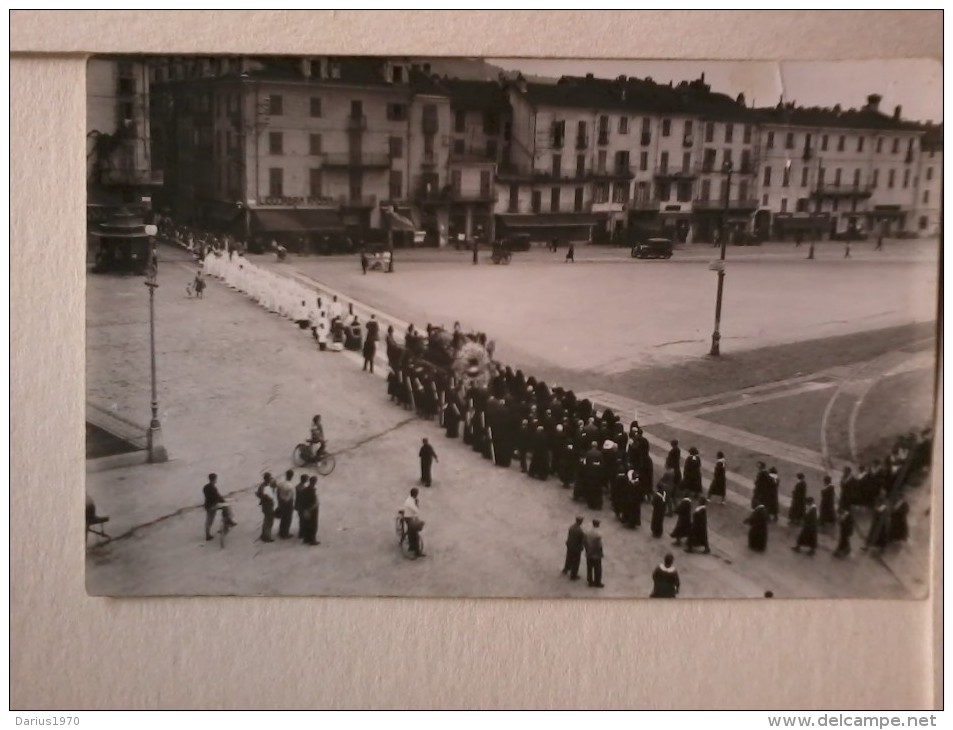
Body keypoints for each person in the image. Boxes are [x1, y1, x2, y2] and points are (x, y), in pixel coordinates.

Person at [203, 473, 236, 541]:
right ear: (214, 479)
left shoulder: (205, 487)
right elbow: (217, 497)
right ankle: (228, 521)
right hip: (214, 505)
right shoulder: (213, 488)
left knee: (209, 521)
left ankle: (207, 535)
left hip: (208, 506)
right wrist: (223, 501)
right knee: (226, 507)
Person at [401, 488, 425, 559]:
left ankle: (416, 550)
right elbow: (416, 510)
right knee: (413, 534)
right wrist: (417, 503)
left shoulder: (411, 499)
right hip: (408, 518)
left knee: (413, 533)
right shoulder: (410, 502)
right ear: (414, 494)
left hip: (412, 517)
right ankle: (413, 549)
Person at [562, 516, 585, 580]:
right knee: (576, 562)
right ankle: (573, 575)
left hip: (569, 545)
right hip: (576, 548)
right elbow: (582, 540)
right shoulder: (580, 531)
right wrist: (582, 547)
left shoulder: (571, 527)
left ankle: (566, 569)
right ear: (580, 521)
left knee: (568, 558)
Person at [275, 469, 296, 539]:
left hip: (281, 502)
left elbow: (277, 492)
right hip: (288, 504)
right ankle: (285, 533)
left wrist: (279, 500)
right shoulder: (291, 486)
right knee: (288, 519)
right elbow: (289, 497)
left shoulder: (281, 483)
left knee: (283, 518)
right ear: (292, 476)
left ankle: (281, 531)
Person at [255, 472, 275, 543]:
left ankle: (264, 535)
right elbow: (261, 494)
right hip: (267, 506)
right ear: (266, 479)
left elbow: (257, 493)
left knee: (267, 520)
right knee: (269, 521)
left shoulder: (264, 485)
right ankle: (267, 537)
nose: (270, 479)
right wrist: (267, 498)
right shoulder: (263, 487)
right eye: (269, 478)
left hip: (267, 505)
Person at [584, 519, 604, 588]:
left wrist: (587, 550)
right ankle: (597, 582)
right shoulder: (598, 534)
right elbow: (599, 545)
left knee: (589, 568)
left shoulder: (588, 532)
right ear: (598, 524)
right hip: (596, 554)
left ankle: (590, 581)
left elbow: (585, 542)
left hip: (589, 552)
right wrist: (601, 553)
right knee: (597, 569)